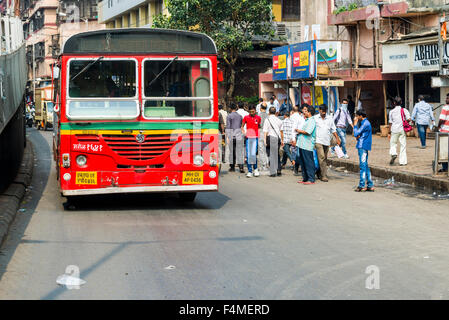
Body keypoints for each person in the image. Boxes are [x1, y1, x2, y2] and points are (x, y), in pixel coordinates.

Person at [314, 104, 341, 182]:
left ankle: (319, 173)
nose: (323, 113)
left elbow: (333, 129)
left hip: (326, 141)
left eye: (325, 111)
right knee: (321, 157)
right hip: (318, 141)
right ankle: (324, 176)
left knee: (324, 158)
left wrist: (337, 138)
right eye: (322, 111)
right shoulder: (315, 118)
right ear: (319, 110)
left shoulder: (329, 118)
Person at [353, 109, 374, 192]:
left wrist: (355, 125)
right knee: (365, 165)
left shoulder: (365, 123)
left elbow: (356, 133)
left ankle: (362, 185)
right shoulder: (365, 123)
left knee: (362, 166)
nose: (356, 118)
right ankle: (370, 184)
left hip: (362, 146)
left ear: (361, 116)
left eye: (357, 116)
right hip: (364, 145)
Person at [296, 105, 317, 185]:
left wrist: (299, 131)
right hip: (302, 144)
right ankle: (305, 178)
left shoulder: (312, 121)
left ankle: (311, 179)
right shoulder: (307, 120)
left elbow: (308, 132)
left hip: (307, 145)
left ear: (309, 112)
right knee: (303, 162)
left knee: (308, 162)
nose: (304, 112)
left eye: (306, 111)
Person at [389, 96, 411, 166]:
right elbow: (409, 119)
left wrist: (389, 132)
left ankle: (393, 153)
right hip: (402, 130)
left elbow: (390, 122)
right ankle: (403, 162)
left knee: (393, 143)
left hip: (394, 130)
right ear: (401, 102)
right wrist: (404, 121)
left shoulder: (391, 112)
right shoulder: (404, 110)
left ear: (394, 103)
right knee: (403, 145)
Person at [242, 105, 262, 178]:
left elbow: (259, 126)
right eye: (250, 112)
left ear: (255, 111)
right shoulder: (246, 117)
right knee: (248, 155)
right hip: (248, 138)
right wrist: (243, 132)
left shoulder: (258, 118)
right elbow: (242, 126)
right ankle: (250, 171)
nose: (252, 113)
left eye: (253, 111)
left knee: (253, 154)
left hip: (255, 138)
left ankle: (255, 169)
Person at [263, 107, 283, 177]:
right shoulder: (279, 120)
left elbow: (265, 131)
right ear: (275, 112)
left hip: (270, 138)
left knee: (271, 154)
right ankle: (279, 169)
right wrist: (282, 140)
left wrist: (265, 141)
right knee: (276, 154)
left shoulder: (267, 120)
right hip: (277, 139)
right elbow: (281, 131)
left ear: (269, 112)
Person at [226, 104, 244, 173]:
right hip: (239, 136)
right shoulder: (240, 116)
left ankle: (232, 167)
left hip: (232, 136)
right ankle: (241, 167)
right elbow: (241, 126)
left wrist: (227, 137)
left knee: (232, 152)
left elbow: (228, 127)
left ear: (230, 108)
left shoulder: (229, 116)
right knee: (239, 152)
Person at [292, 105, 307, 176]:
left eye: (306, 110)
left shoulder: (310, 119)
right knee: (298, 154)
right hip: (299, 137)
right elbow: (294, 129)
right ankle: (296, 166)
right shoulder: (299, 118)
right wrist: (293, 139)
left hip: (307, 138)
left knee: (305, 154)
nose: (305, 111)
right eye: (304, 109)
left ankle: (304, 169)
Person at [438, 93, 449, 172]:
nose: (446, 100)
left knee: (443, 149)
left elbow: (442, 119)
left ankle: (445, 167)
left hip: (445, 130)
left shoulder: (445, 107)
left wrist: (438, 127)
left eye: (447, 98)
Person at [258, 103, 269, 170]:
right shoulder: (268, 115)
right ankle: (267, 162)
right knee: (266, 149)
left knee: (261, 149)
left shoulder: (259, 115)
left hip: (261, 132)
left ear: (260, 108)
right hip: (267, 133)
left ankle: (263, 165)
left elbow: (258, 125)